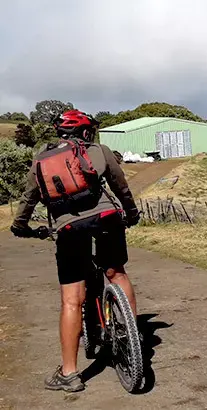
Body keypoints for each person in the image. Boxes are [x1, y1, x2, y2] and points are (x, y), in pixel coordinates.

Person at [9, 109, 141, 393]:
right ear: (84, 132)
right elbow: (122, 188)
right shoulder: (99, 151)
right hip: (106, 219)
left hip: (69, 229)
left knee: (71, 299)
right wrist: (131, 214)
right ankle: (133, 335)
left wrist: (20, 226)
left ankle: (69, 372)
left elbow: (28, 199)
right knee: (116, 273)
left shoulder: (42, 160)